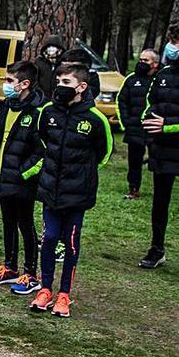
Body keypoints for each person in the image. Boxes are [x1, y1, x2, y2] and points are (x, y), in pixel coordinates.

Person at [23, 64, 112, 317]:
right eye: (59, 81)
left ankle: (64, 294)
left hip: (78, 194)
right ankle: (45, 289)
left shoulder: (96, 119)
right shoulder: (48, 112)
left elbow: (103, 154)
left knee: (70, 242)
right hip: (51, 189)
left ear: (82, 87)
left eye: (67, 82)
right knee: (49, 238)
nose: (61, 86)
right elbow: (42, 140)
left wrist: (81, 173)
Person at [0, 61, 46, 294]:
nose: (5, 85)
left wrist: (22, 173)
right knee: (8, 222)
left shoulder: (38, 112)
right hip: (2, 176)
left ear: (24, 84)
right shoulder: (6, 105)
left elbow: (42, 152)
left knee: (25, 224)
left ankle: (30, 273)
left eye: (9, 81)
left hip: (22, 180)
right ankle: (10, 267)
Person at [139, 25, 179, 269]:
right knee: (160, 202)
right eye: (172, 41)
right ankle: (157, 248)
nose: (173, 47)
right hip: (162, 150)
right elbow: (148, 105)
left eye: (177, 42)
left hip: (170, 138)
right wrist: (151, 122)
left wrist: (169, 126)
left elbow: (167, 122)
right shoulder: (163, 74)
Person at [117, 48, 159, 200]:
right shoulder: (131, 79)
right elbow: (121, 101)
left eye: (145, 61)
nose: (141, 63)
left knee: (157, 160)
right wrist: (126, 122)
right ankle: (133, 188)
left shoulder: (160, 79)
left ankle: (159, 189)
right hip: (134, 128)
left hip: (154, 127)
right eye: (140, 60)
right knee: (134, 161)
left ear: (155, 64)